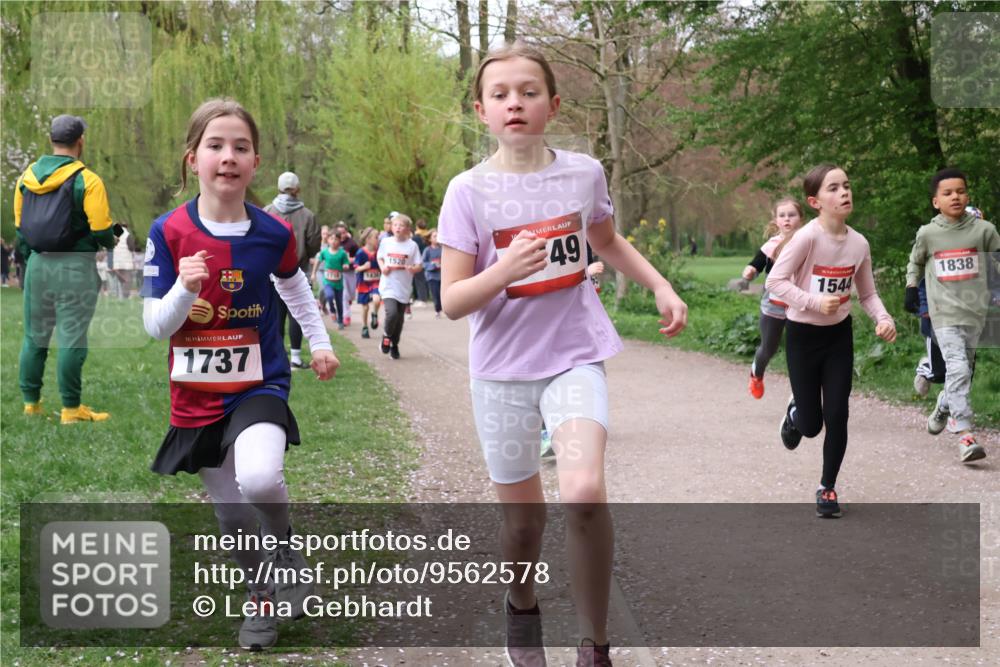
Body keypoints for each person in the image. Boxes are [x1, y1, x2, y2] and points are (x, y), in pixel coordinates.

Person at [438, 43, 687, 667]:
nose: (514, 103)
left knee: (583, 491)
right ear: (481, 110)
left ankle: (594, 644)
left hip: (573, 355)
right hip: (499, 371)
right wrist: (506, 270)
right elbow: (451, 301)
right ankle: (521, 602)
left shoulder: (583, 174)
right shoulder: (467, 191)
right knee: (523, 525)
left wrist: (659, 285)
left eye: (527, 92)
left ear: (553, 104)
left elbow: (605, 239)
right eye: (500, 95)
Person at [141, 98, 339, 650]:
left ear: (255, 164)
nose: (228, 156)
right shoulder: (168, 231)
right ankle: (261, 603)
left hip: (259, 383)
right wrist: (184, 287)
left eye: (241, 147)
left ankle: (287, 552)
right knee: (232, 515)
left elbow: (293, 285)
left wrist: (318, 343)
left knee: (259, 478)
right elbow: (157, 326)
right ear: (192, 159)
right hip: (197, 394)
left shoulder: (274, 232)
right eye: (215, 145)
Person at [766, 164, 896, 518]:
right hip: (803, 337)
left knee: (838, 414)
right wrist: (812, 301)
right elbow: (775, 282)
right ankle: (797, 413)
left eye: (847, 186)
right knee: (811, 427)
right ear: (815, 201)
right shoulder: (807, 237)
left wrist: (883, 318)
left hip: (839, 336)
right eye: (834, 188)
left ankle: (827, 487)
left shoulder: (859, 243)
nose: (844, 193)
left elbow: (867, 294)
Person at [14, 114, 115, 423]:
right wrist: (112, 238)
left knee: (35, 337)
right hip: (75, 266)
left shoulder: (25, 179)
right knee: (72, 337)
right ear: (80, 141)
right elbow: (101, 231)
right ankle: (71, 410)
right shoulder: (88, 180)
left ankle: (31, 404)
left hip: (38, 265)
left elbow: (21, 229)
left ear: (51, 141)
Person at [905, 168, 1000, 463]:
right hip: (943, 314)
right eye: (947, 193)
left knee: (964, 373)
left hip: (976, 313)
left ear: (967, 195)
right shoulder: (929, 233)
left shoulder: (984, 231)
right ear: (936, 201)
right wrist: (911, 287)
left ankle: (944, 404)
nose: (955, 197)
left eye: (960, 191)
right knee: (958, 369)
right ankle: (965, 435)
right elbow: (915, 262)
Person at [741, 197, 804, 399]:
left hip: (801, 306)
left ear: (800, 218)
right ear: (776, 221)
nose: (787, 219)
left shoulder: (808, 241)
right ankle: (756, 373)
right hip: (774, 305)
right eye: (782, 215)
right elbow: (756, 264)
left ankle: (802, 391)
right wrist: (750, 271)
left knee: (801, 351)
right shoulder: (772, 245)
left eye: (792, 215)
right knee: (769, 348)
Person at [264, 171, 322, 368]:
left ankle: (279, 357)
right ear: (297, 189)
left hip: (271, 272)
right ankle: (296, 357)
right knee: (296, 314)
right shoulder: (308, 215)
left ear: (279, 188)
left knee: (276, 315)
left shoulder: (267, 212)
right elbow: (314, 244)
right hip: (299, 271)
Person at [377, 213, 422, 359]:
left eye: (401, 225)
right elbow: (380, 257)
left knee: (400, 319)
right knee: (392, 313)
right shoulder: (386, 242)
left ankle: (394, 344)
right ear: (391, 227)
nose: (397, 228)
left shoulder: (412, 245)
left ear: (407, 229)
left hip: (404, 286)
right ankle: (386, 337)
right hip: (388, 284)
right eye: (395, 225)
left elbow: (419, 265)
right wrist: (383, 266)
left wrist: (413, 269)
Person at [312, 231, 350, 329]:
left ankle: (340, 321)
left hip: (338, 283)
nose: (333, 241)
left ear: (339, 241)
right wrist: (313, 273)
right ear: (328, 240)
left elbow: (346, 263)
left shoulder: (342, 253)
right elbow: (318, 261)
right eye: (331, 239)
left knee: (339, 302)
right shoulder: (324, 252)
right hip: (328, 281)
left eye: (336, 239)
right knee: (329, 296)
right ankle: (332, 310)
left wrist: (345, 266)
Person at [353, 227, 382, 338]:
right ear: (368, 239)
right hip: (363, 283)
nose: (378, 239)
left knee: (377, 300)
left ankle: (374, 314)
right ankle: (364, 326)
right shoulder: (361, 252)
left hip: (376, 282)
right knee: (365, 307)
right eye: (376, 237)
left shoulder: (379, 252)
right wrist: (363, 267)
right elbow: (355, 268)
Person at [334, 222, 359, 326]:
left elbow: (359, 257)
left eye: (343, 233)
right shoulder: (335, 243)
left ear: (346, 232)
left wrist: (350, 260)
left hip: (351, 271)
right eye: (339, 233)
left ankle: (349, 300)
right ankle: (346, 316)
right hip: (340, 273)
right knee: (344, 294)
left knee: (352, 294)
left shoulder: (352, 244)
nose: (342, 235)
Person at [112, 221, 137, 298]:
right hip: (126, 261)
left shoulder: (114, 235)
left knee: (120, 280)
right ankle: (125, 296)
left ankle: (118, 296)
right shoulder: (128, 235)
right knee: (127, 280)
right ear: (127, 227)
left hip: (116, 262)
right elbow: (131, 248)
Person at [421, 229, 443, 317]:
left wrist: (442, 264)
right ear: (430, 239)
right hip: (431, 276)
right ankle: (437, 310)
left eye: (438, 235)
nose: (437, 238)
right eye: (434, 236)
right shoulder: (427, 250)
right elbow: (423, 263)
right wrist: (432, 265)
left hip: (442, 275)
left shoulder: (443, 249)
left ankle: (443, 307)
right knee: (435, 293)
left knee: (442, 293)